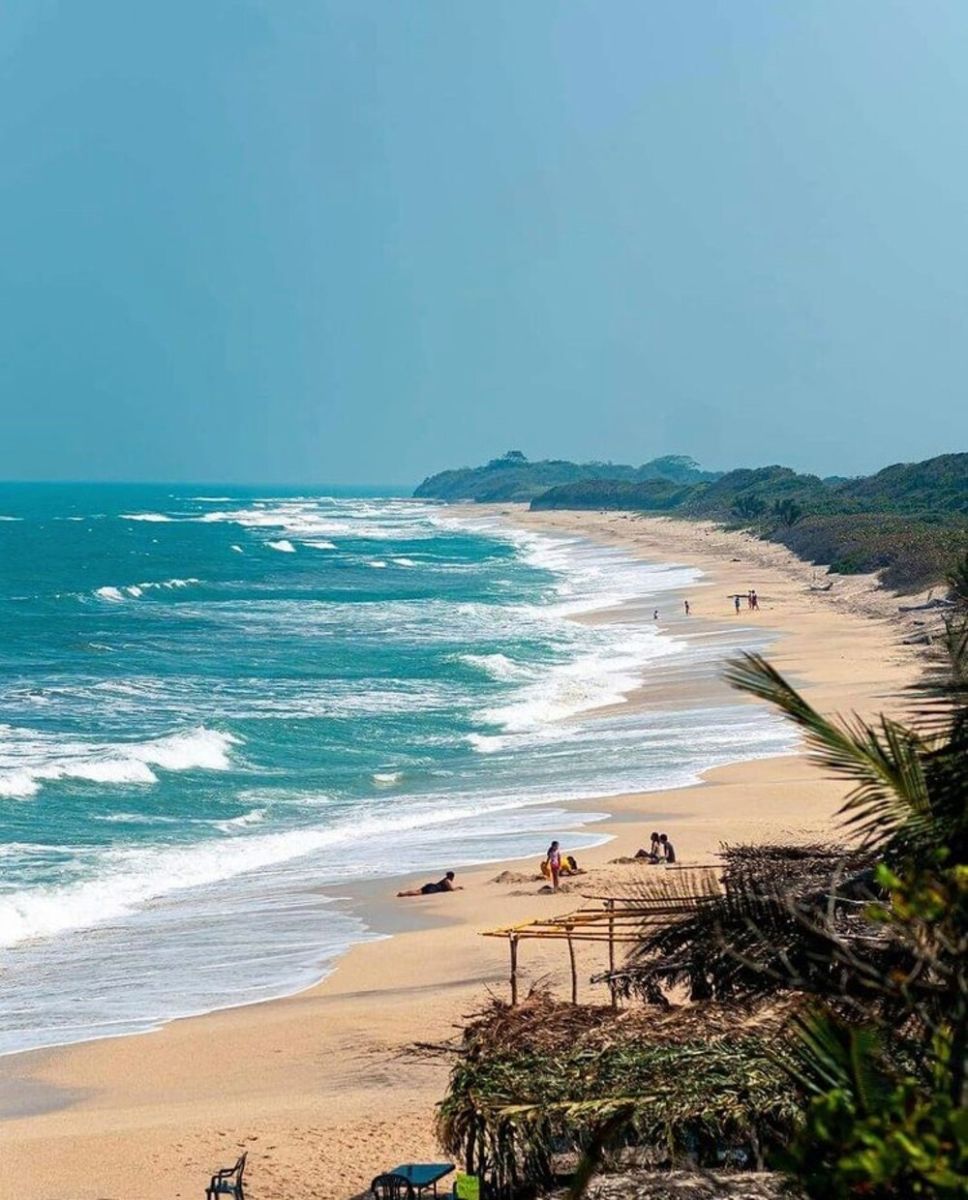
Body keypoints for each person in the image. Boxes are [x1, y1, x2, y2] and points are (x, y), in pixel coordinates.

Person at [397, 870, 462, 898]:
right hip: (433, 888)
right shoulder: (448, 880)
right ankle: (403, 894)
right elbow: (452, 889)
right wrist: (459, 888)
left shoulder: (445, 879)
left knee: (418, 891)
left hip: (432, 886)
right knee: (418, 893)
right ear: (452, 876)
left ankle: (404, 893)